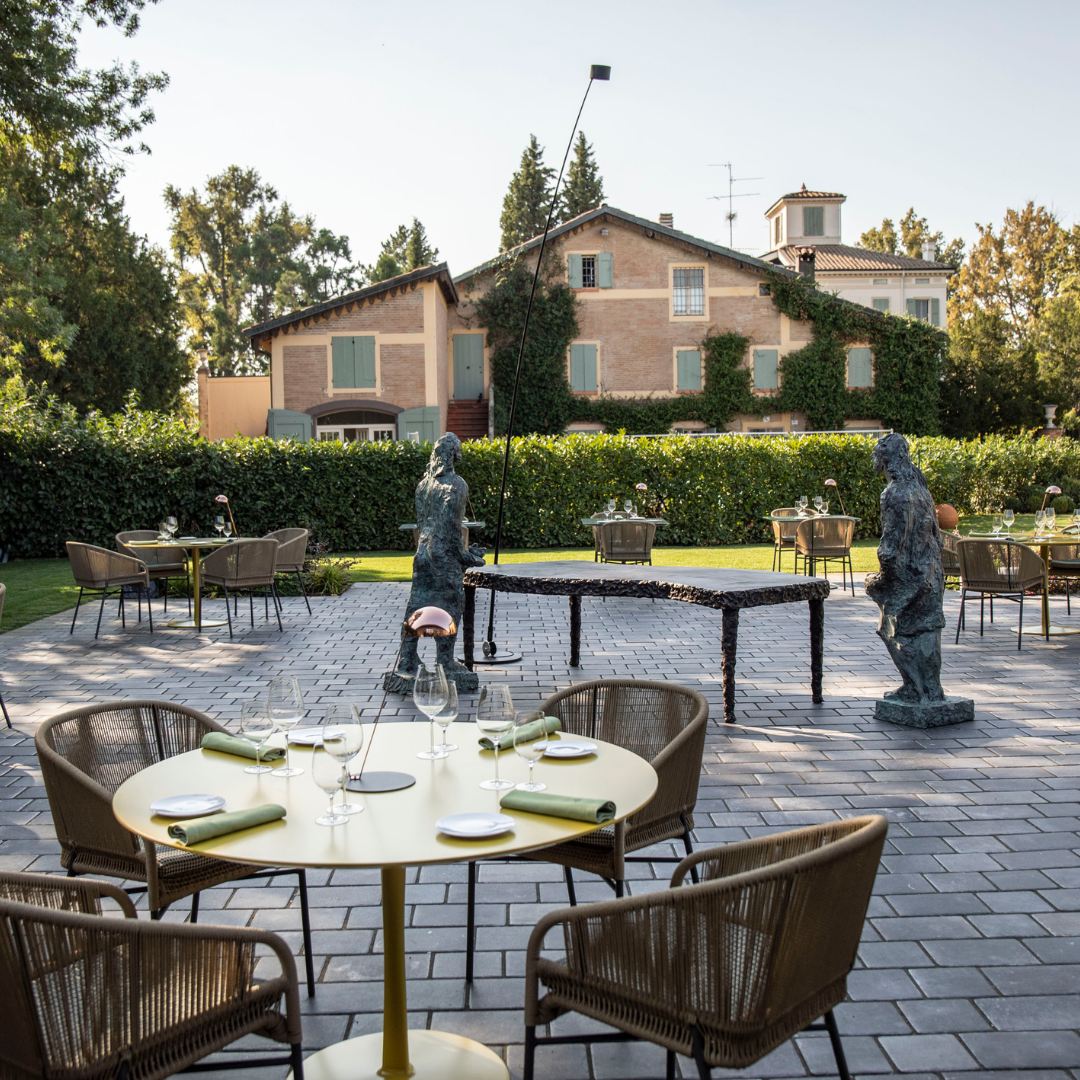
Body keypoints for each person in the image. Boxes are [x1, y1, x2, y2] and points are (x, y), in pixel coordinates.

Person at [392, 433, 484, 689]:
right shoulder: (457, 484)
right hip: (444, 558)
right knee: (451, 608)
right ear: (453, 454)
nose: (460, 457)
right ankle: (444, 662)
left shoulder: (423, 486)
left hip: (422, 555)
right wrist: (467, 557)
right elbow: (453, 529)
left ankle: (406, 660)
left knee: (416, 607)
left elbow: (424, 526)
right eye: (458, 452)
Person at [864, 432, 946, 704]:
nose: (873, 457)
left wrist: (879, 581)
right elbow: (937, 535)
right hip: (931, 571)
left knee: (891, 629)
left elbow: (890, 546)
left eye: (876, 452)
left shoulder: (893, 494)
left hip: (908, 575)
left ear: (886, 458)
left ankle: (914, 687)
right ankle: (932, 690)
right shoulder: (920, 487)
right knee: (927, 628)